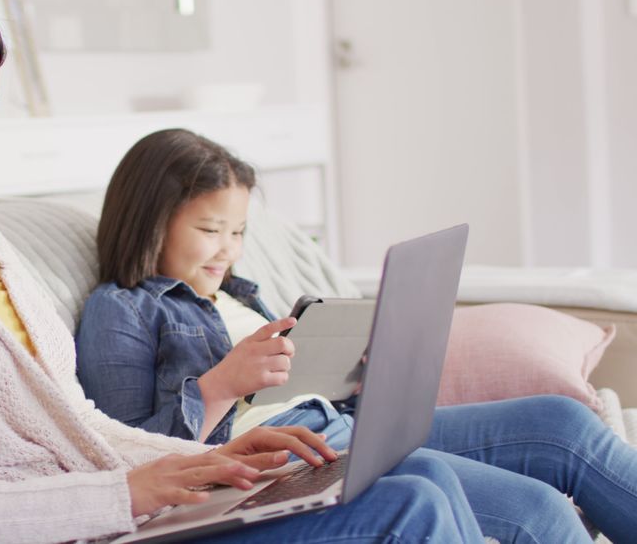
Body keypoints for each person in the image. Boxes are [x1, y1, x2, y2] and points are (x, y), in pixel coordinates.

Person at [0, 0, 488, 543]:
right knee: (412, 503)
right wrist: (128, 493)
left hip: (125, 514)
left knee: (412, 470)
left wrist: (206, 462)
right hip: (88, 527)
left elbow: (74, 423)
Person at [76, 127, 637, 543]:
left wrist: (359, 372)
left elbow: (293, 384)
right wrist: (221, 384)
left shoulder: (239, 292)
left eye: (240, 231)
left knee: (560, 424)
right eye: (210, 229)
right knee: (534, 510)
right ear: (149, 221)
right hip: (284, 450)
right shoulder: (121, 310)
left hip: (344, 424)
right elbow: (128, 452)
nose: (229, 249)